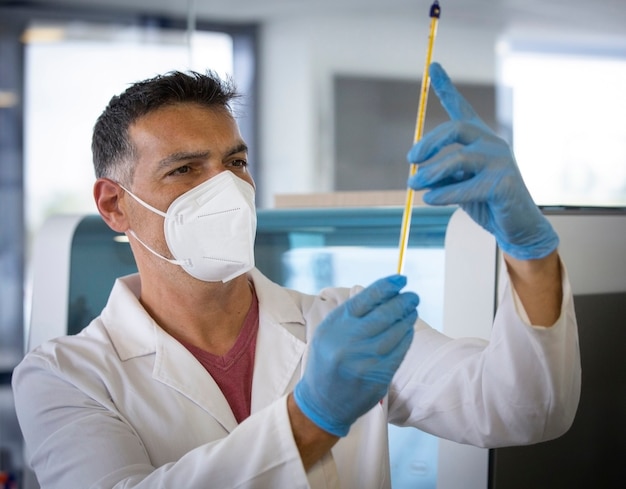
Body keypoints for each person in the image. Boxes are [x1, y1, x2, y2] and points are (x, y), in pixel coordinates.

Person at [12, 62, 581, 489]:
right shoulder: (64, 376)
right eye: (185, 169)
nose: (227, 189)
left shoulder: (340, 323)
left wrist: (529, 249)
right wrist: (311, 419)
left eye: (235, 163)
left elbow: (524, 407)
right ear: (114, 205)